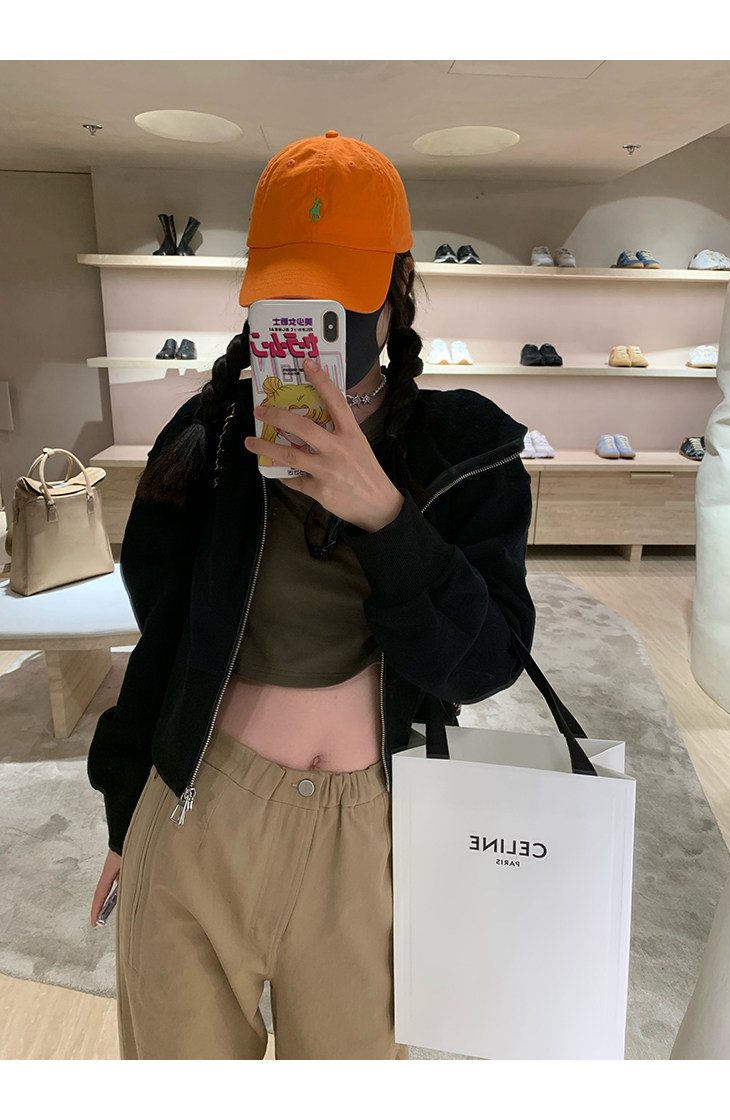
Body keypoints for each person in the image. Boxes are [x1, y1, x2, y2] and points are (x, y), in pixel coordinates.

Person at [87, 130, 536, 1060]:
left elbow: (488, 660)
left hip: (369, 837)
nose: (304, 319)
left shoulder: (464, 448)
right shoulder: (210, 437)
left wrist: (385, 517)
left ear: (396, 289)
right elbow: (162, 641)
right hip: (196, 812)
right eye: (284, 294)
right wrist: (127, 808)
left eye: (334, 299)